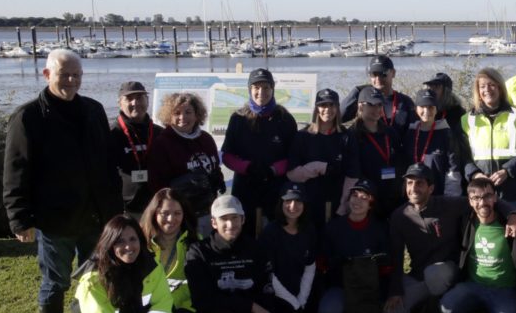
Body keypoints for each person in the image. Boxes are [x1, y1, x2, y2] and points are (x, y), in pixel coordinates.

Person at [3, 48, 121, 313]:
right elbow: (16, 171)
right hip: (55, 221)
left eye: (76, 75)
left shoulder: (94, 111)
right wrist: (19, 220)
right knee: (55, 283)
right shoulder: (27, 117)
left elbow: (108, 164)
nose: (70, 81)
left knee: (96, 280)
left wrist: (114, 210)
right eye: (64, 75)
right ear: (47, 75)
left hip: (95, 217)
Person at [185, 194, 291, 313]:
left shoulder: (256, 248)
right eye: (224, 219)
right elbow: (203, 299)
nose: (230, 224)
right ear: (213, 223)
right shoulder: (198, 252)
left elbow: (267, 287)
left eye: (234, 218)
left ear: (243, 219)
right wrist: (249, 305)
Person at [385, 163, 470, 313]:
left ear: (431, 188)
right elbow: (396, 256)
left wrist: (511, 215)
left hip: (447, 270)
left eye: (419, 183)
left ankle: (434, 312)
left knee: (434, 274)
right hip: (419, 275)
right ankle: (426, 302)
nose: (413, 188)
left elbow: (482, 201)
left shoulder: (447, 204)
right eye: (409, 183)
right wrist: (395, 290)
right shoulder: (399, 216)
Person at [439, 178, 516, 313]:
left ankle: (493, 311)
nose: (482, 202)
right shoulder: (465, 221)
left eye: (487, 196)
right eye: (476, 198)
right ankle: (474, 310)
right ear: (469, 201)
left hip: (503, 289)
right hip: (474, 285)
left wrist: (513, 214)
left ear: (495, 197)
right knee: (446, 308)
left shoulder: (510, 225)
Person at [221, 68, 298, 236]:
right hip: (245, 187)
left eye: (266, 87)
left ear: (272, 89)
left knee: (276, 233)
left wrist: (274, 170)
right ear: (250, 89)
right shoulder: (238, 118)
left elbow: (294, 156)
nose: (261, 92)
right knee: (245, 234)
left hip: (276, 187)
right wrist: (247, 167)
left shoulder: (285, 119)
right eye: (256, 87)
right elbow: (227, 155)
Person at [319, 179, 393, 313]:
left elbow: (387, 266)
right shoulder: (334, 227)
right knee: (329, 312)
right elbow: (324, 264)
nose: (357, 200)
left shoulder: (380, 229)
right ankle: (349, 311)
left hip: (371, 288)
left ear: (371, 203)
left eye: (364, 197)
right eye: (354, 195)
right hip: (342, 286)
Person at [148, 92, 225, 236]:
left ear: (197, 115)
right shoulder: (162, 143)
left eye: (188, 112)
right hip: (179, 215)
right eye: (177, 113)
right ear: (169, 116)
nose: (183, 117)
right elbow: (156, 184)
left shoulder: (206, 139)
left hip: (208, 210)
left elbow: (214, 167)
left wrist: (217, 178)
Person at [461, 67, 516, 215]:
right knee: (485, 236)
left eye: (491, 85)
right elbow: (461, 155)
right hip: (479, 193)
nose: (487, 89)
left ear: (500, 88)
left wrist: (507, 171)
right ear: (478, 91)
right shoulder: (467, 120)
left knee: (511, 233)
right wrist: (474, 174)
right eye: (482, 86)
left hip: (511, 191)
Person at [286, 88, 360, 230]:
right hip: (307, 205)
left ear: (338, 108)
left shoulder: (347, 136)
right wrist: (318, 167)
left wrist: (343, 206)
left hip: (337, 205)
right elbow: (292, 174)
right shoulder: (302, 136)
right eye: (323, 105)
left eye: (332, 105)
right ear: (316, 109)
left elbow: (353, 175)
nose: (327, 110)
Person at [140, 188, 201, 313]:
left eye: (177, 213)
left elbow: (199, 282)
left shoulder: (195, 241)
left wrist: (171, 301)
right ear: (154, 214)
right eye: (164, 213)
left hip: (182, 305)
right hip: (148, 305)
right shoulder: (140, 243)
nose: (171, 219)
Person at [258, 183, 318, 313]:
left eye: (298, 201)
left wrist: (301, 299)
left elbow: (310, 266)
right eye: (288, 201)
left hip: (300, 291)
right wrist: (293, 302)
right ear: (280, 204)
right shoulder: (270, 233)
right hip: (275, 293)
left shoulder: (309, 229)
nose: (293, 206)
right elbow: (268, 275)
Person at [110, 81, 162, 217]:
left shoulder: (159, 133)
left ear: (148, 101)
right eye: (129, 99)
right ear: (119, 103)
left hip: (157, 207)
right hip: (125, 209)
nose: (135, 103)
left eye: (139, 98)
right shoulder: (110, 134)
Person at [352, 86, 406, 217]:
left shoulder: (390, 132)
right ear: (360, 106)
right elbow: (353, 169)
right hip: (367, 197)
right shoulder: (353, 135)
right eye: (371, 105)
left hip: (392, 195)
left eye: (379, 105)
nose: (376, 109)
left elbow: (399, 160)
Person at [340, 55, 416, 138]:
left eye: (383, 74)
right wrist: (357, 91)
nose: (378, 78)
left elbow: (414, 133)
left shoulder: (405, 101)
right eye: (374, 74)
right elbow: (339, 118)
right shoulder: (363, 100)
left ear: (393, 73)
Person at [404, 88, 462, 197]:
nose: (426, 111)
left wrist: (450, 198)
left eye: (431, 107)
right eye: (422, 107)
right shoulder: (409, 133)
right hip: (413, 194)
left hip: (438, 196)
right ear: (416, 109)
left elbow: (453, 169)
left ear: (436, 110)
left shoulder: (446, 134)